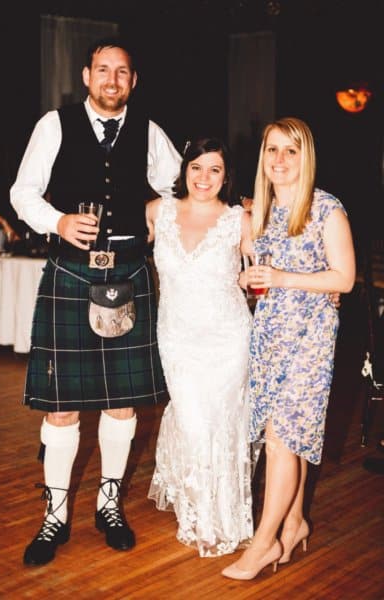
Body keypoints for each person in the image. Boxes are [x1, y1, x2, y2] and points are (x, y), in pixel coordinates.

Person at [10, 36, 181, 566]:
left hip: (129, 272)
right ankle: (55, 513)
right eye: (102, 70)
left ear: (133, 81)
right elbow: (22, 192)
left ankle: (110, 502)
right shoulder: (54, 124)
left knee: (121, 402)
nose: (112, 80)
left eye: (122, 72)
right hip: (70, 272)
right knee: (61, 409)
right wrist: (57, 221)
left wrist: (161, 206)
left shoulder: (150, 133)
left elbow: (184, 186)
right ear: (86, 76)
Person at [222, 117, 355, 580]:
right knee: (289, 441)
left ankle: (263, 544)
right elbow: (257, 272)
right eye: (272, 150)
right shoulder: (259, 211)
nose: (279, 160)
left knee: (281, 441)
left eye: (290, 151)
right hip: (269, 336)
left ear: (306, 157)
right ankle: (295, 523)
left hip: (311, 339)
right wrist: (249, 278)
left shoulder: (325, 208)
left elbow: (345, 278)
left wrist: (282, 279)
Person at [146, 137, 255, 557]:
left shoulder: (238, 219)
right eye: (197, 167)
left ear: (226, 177)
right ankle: (202, 513)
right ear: (184, 170)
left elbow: (263, 265)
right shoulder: (159, 212)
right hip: (177, 337)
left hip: (229, 337)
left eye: (215, 170)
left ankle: (219, 518)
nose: (204, 178)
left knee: (221, 425)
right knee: (192, 422)